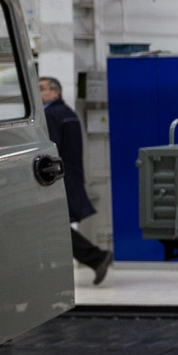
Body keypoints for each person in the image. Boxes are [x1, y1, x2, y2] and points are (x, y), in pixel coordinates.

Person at [39, 76, 113, 285]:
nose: (38, 93)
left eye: (41, 88)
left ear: (55, 92)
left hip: (56, 180)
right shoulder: (67, 113)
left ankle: (95, 257)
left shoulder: (51, 114)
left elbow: (49, 150)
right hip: (69, 177)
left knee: (51, 227)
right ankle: (94, 258)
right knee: (53, 227)